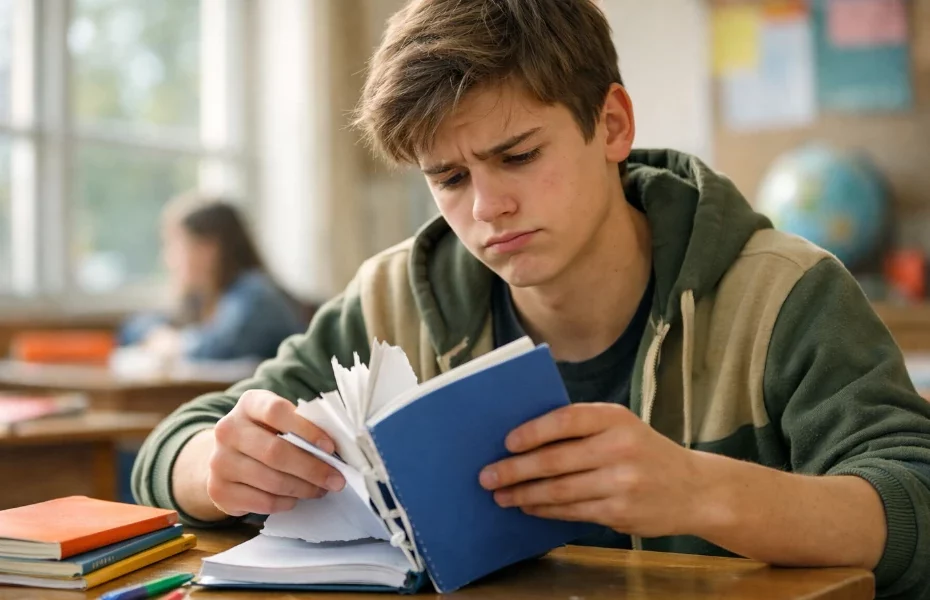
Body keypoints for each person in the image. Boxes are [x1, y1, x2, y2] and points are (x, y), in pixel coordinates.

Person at [132, 1, 930, 597]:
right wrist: (216, 467)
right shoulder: (394, 298)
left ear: (611, 126)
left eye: (517, 156)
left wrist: (702, 491)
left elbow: (917, 501)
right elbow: (179, 444)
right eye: (450, 178)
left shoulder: (785, 293)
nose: (487, 208)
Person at [119, 192, 306, 362]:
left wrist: (176, 344)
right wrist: (158, 335)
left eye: (175, 245)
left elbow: (224, 348)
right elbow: (132, 330)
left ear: (209, 249)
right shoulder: (201, 300)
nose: (167, 259)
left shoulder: (255, 294)